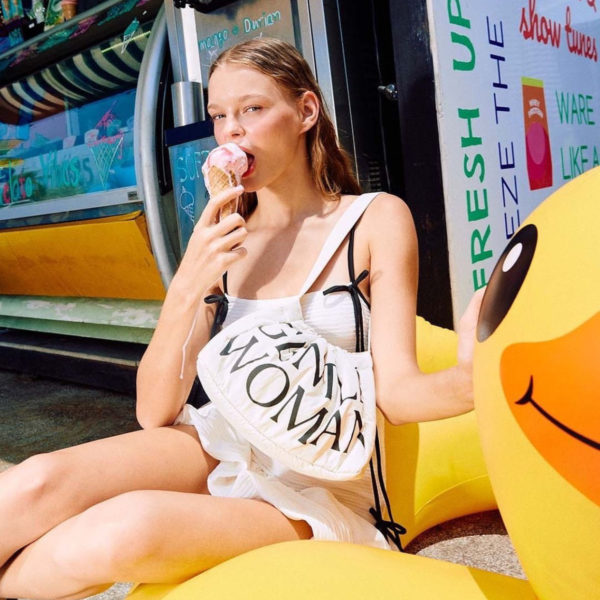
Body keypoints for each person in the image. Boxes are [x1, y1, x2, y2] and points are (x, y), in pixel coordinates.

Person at [0, 38, 483, 599]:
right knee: (33, 482)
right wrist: (187, 284)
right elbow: (154, 413)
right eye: (219, 116)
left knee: (122, 530)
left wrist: (468, 380)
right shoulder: (223, 235)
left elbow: (396, 394)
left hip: (319, 479)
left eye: (252, 109)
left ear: (305, 112)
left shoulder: (373, 220)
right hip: (219, 441)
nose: (231, 130)